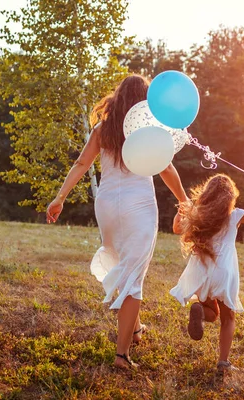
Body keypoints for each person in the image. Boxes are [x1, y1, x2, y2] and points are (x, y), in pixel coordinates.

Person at [46, 75, 188, 370]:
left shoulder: (103, 129)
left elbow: (81, 164)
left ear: (119, 97)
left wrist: (60, 198)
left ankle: (134, 329)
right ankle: (122, 355)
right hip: (138, 205)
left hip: (107, 206)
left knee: (124, 265)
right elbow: (167, 169)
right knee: (134, 275)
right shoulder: (147, 130)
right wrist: (185, 201)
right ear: (143, 101)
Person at [169, 174, 244, 373]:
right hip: (224, 271)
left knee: (212, 312)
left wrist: (182, 210)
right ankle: (223, 363)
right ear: (230, 196)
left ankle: (199, 310)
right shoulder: (235, 215)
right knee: (227, 318)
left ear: (207, 193)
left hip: (201, 270)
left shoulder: (198, 214)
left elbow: (176, 228)